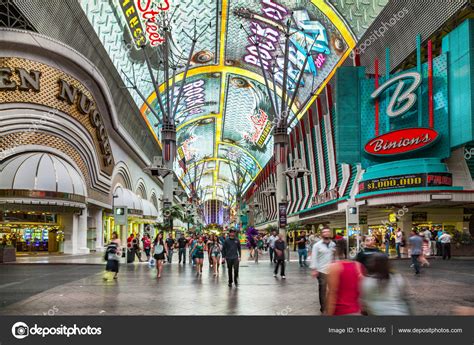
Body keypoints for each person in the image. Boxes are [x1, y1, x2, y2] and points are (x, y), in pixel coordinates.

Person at [310, 228, 336, 313]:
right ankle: (323, 308)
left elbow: (334, 256)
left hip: (332, 270)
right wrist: (314, 269)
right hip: (321, 271)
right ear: (322, 234)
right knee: (323, 290)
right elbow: (314, 258)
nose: (327, 233)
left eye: (328, 232)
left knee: (332, 289)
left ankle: (330, 305)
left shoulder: (333, 244)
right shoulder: (317, 245)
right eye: (325, 232)